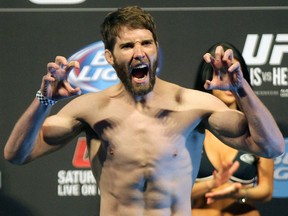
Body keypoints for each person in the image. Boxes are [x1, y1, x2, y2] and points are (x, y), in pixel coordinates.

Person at [4, 6, 284, 216]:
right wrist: (44, 101)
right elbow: (16, 154)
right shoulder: (90, 110)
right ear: (110, 57)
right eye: (127, 45)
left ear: (156, 49)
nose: (139, 52)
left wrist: (241, 89)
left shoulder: (194, 104)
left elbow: (270, 147)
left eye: (146, 43)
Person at [191, 42, 275, 216]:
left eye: (234, 73)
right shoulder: (192, 130)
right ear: (208, 76)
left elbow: (266, 189)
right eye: (221, 73)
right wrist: (211, 184)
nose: (227, 80)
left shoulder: (257, 129)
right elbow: (171, 191)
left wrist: (238, 192)